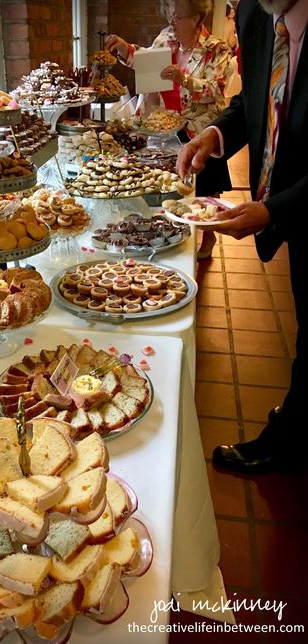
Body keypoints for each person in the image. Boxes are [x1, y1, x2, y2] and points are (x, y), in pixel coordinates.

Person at [177, 0, 308, 473]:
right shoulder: (256, 13)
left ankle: (290, 438)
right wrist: (214, 134)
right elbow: (256, 98)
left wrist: (273, 209)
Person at [105, 0, 233, 259]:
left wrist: (184, 79)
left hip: (198, 129)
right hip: (163, 126)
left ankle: (209, 235)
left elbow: (218, 90)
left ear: (197, 18)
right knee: (173, 183)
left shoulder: (215, 49)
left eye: (178, 16)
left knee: (206, 186)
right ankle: (175, 230)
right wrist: (125, 48)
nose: (171, 22)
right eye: (170, 15)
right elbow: (147, 61)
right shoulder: (166, 37)